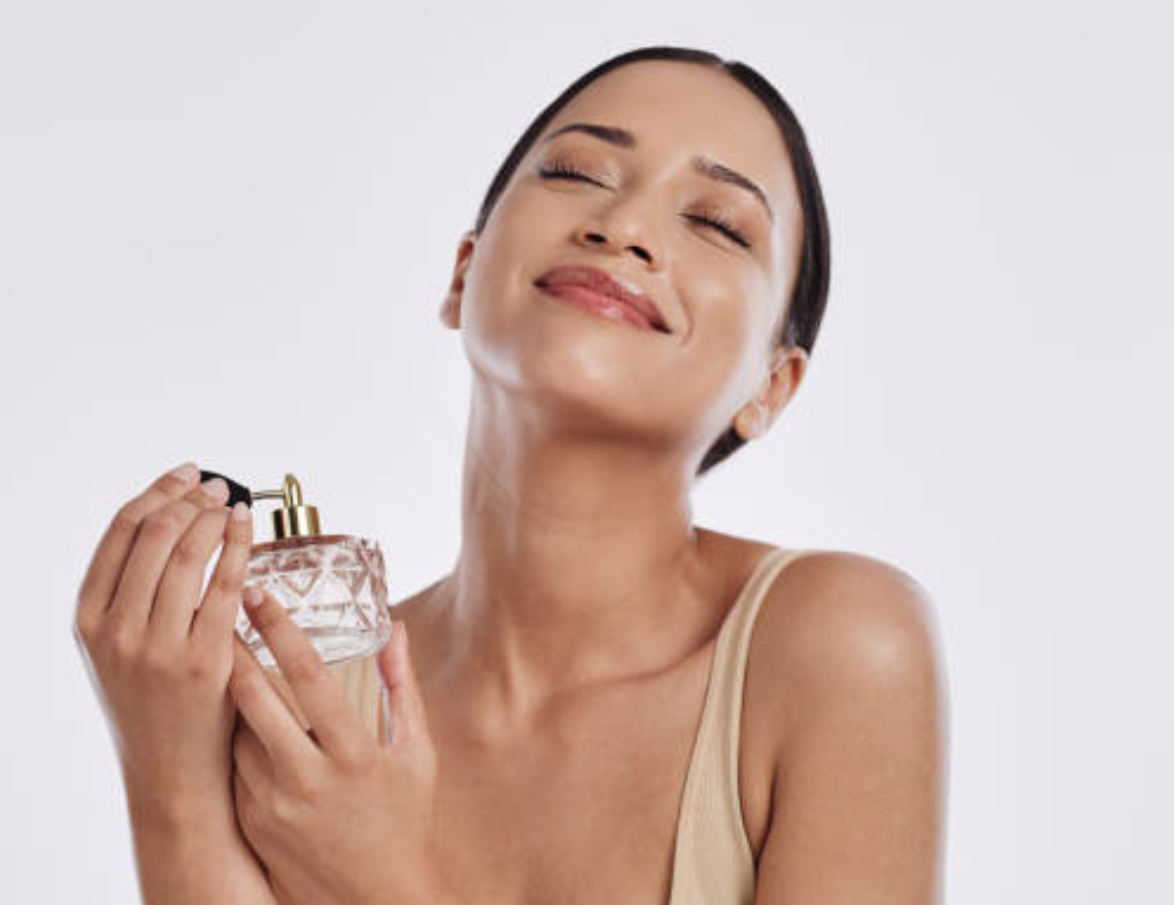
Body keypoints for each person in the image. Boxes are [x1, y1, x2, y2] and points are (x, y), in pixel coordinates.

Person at [73, 45, 950, 905]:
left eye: (718, 223)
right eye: (576, 172)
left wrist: (379, 881)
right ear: (464, 273)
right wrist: (170, 778)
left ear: (771, 386)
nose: (624, 227)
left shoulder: (837, 644)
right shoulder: (312, 700)